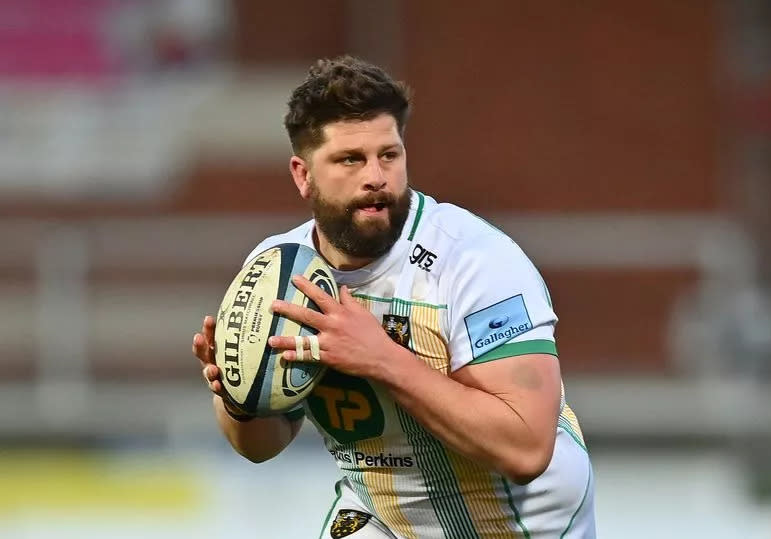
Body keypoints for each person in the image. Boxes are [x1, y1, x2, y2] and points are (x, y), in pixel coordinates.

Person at [193, 55, 596, 538]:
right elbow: (260, 446)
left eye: (389, 154)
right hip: (383, 521)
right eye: (350, 159)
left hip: (522, 527)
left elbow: (525, 450)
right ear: (303, 175)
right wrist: (240, 397)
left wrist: (381, 358)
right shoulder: (278, 270)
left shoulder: (476, 262)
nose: (376, 177)